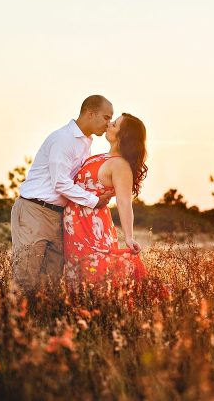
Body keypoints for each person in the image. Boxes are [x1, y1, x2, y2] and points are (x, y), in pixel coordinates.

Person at [10, 95, 114, 292]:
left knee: (51, 282)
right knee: (25, 277)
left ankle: (40, 322)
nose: (108, 124)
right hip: (35, 210)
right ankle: (12, 322)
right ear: (90, 114)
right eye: (106, 117)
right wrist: (94, 201)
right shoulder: (64, 139)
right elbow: (60, 183)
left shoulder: (86, 142)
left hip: (58, 215)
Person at [63, 113, 150, 289]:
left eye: (115, 124)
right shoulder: (99, 157)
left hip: (91, 227)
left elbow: (124, 202)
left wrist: (129, 236)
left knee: (94, 276)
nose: (109, 124)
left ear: (123, 136)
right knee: (75, 278)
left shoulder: (120, 165)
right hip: (74, 226)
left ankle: (108, 313)